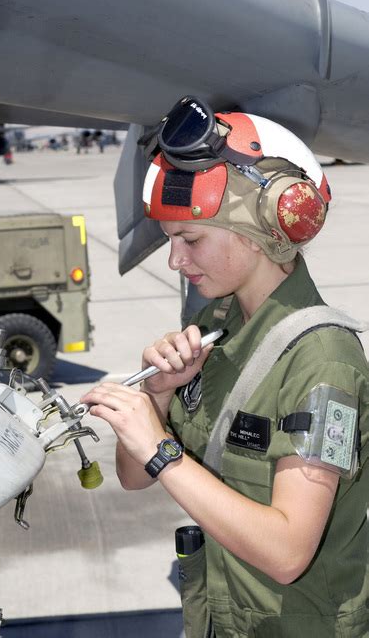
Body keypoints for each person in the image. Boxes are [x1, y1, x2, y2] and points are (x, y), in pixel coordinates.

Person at [80, 96, 369, 637]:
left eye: (190, 239)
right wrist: (159, 397)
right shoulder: (218, 326)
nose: (174, 262)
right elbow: (131, 477)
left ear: (263, 230)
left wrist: (162, 450)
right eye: (170, 241)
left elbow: (287, 552)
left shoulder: (322, 360)